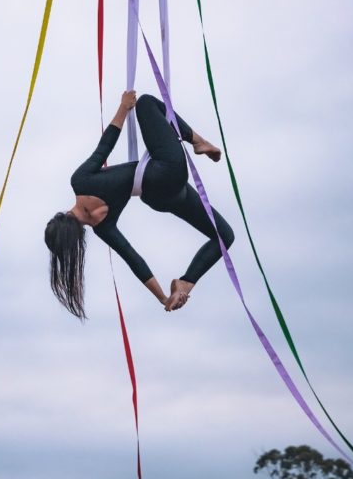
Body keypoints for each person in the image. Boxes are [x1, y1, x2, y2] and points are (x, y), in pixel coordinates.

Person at [44, 90, 235, 320]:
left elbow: (133, 259)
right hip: (164, 172)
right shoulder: (80, 181)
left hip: (161, 198)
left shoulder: (102, 228)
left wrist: (164, 298)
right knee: (146, 102)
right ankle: (198, 141)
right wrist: (124, 107)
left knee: (224, 236)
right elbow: (105, 145)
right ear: (62, 217)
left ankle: (185, 284)